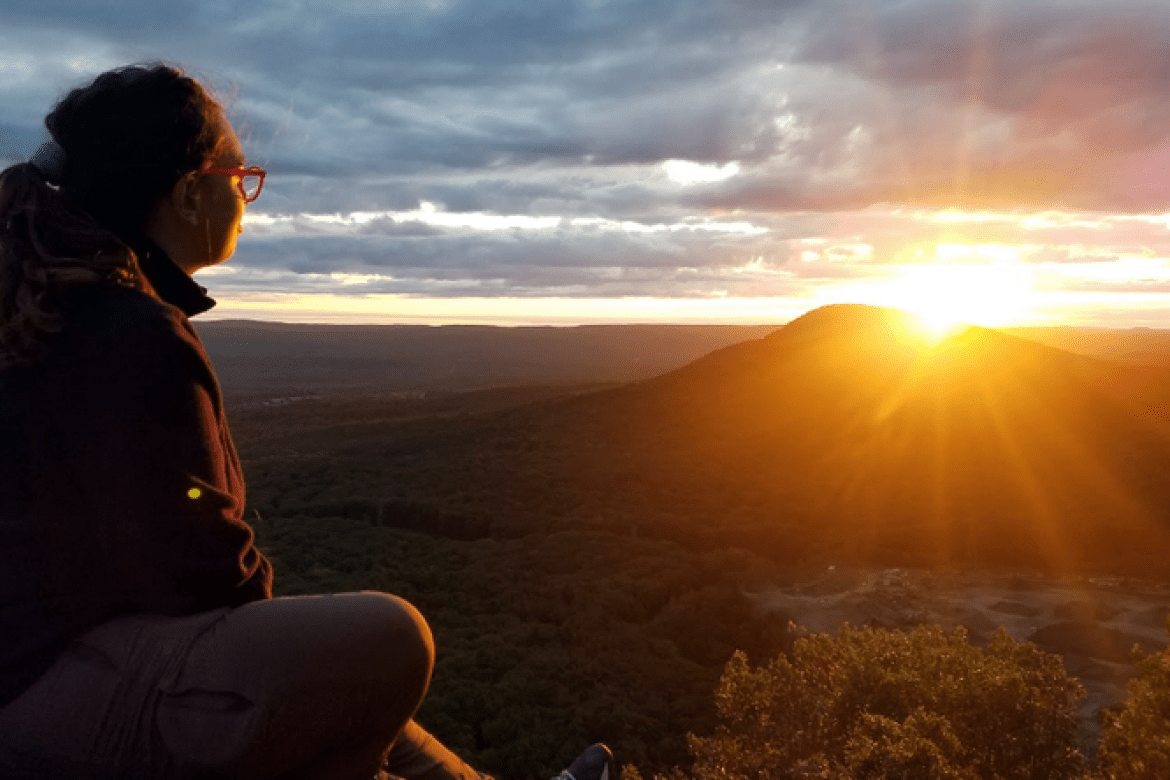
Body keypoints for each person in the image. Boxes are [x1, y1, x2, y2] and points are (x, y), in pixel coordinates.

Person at [0, 63, 614, 780]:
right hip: (47, 688)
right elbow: (203, 576)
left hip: (48, 659)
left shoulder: (47, 308)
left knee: (344, 688)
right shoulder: (130, 333)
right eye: (241, 176)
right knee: (385, 640)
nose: (247, 195)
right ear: (190, 193)